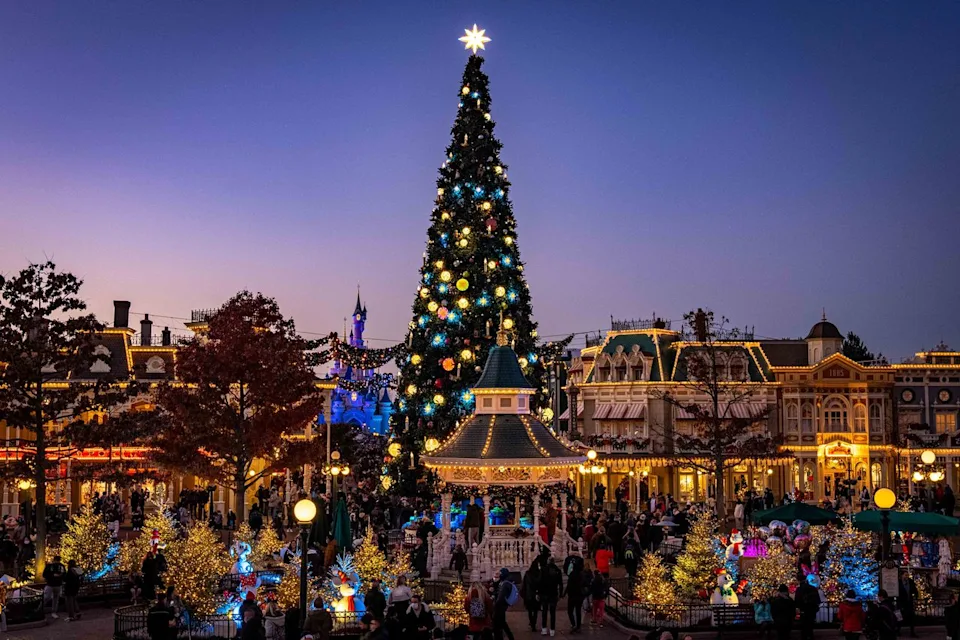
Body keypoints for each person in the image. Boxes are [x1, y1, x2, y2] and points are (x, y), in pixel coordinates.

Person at [539, 556, 562, 636]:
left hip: (545, 593)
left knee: (544, 612)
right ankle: (552, 630)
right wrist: (560, 594)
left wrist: (538, 593)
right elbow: (560, 584)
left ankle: (544, 629)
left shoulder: (543, 569)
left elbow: (540, 582)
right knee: (553, 613)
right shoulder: (558, 571)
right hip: (553, 593)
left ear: (548, 561)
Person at [562, 555, 586, 632]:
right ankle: (578, 626)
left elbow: (569, 585)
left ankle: (573, 624)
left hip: (572, 595)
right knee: (578, 611)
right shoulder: (582, 574)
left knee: (570, 611)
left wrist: (564, 593)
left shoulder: (572, 574)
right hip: (579, 595)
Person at [794, 576, 820, 640]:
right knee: (810, 626)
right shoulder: (813, 588)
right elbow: (817, 600)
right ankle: (810, 636)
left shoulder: (799, 589)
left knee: (803, 627)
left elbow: (797, 601)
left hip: (803, 611)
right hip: (811, 610)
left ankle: (805, 636)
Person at [493, 568, 516, 640]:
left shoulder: (505, 584)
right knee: (503, 623)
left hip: (500, 607)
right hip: (503, 606)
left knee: (497, 625)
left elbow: (501, 597)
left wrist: (496, 605)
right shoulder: (506, 582)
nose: (499, 575)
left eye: (500, 573)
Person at [42, 554, 66, 618]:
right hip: (55, 584)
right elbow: (64, 575)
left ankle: (44, 610)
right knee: (51, 598)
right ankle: (52, 611)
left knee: (49, 598)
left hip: (52, 584)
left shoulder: (51, 566)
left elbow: (44, 574)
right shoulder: (60, 566)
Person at [521, 558, 541, 631]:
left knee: (529, 610)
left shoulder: (527, 574)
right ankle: (534, 623)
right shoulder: (539, 573)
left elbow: (524, 585)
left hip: (528, 595)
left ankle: (531, 622)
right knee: (535, 610)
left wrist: (523, 593)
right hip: (536, 594)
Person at [898, 573, 919, 637]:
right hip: (901, 603)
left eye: (907, 575)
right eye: (905, 575)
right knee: (900, 618)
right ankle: (898, 631)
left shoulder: (910, 581)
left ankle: (912, 632)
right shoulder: (899, 582)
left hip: (909, 602)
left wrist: (916, 596)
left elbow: (915, 590)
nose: (906, 576)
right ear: (902, 576)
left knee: (911, 618)